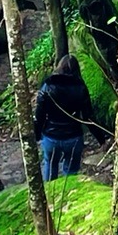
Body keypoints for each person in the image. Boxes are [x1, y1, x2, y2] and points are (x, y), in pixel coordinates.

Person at [35, 52, 94, 181]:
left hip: (51, 137)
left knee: (50, 168)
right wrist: (101, 138)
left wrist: (36, 134)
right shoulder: (80, 88)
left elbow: (40, 114)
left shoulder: (48, 86)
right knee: (71, 175)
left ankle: (50, 199)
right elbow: (88, 116)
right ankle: (69, 198)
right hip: (73, 137)